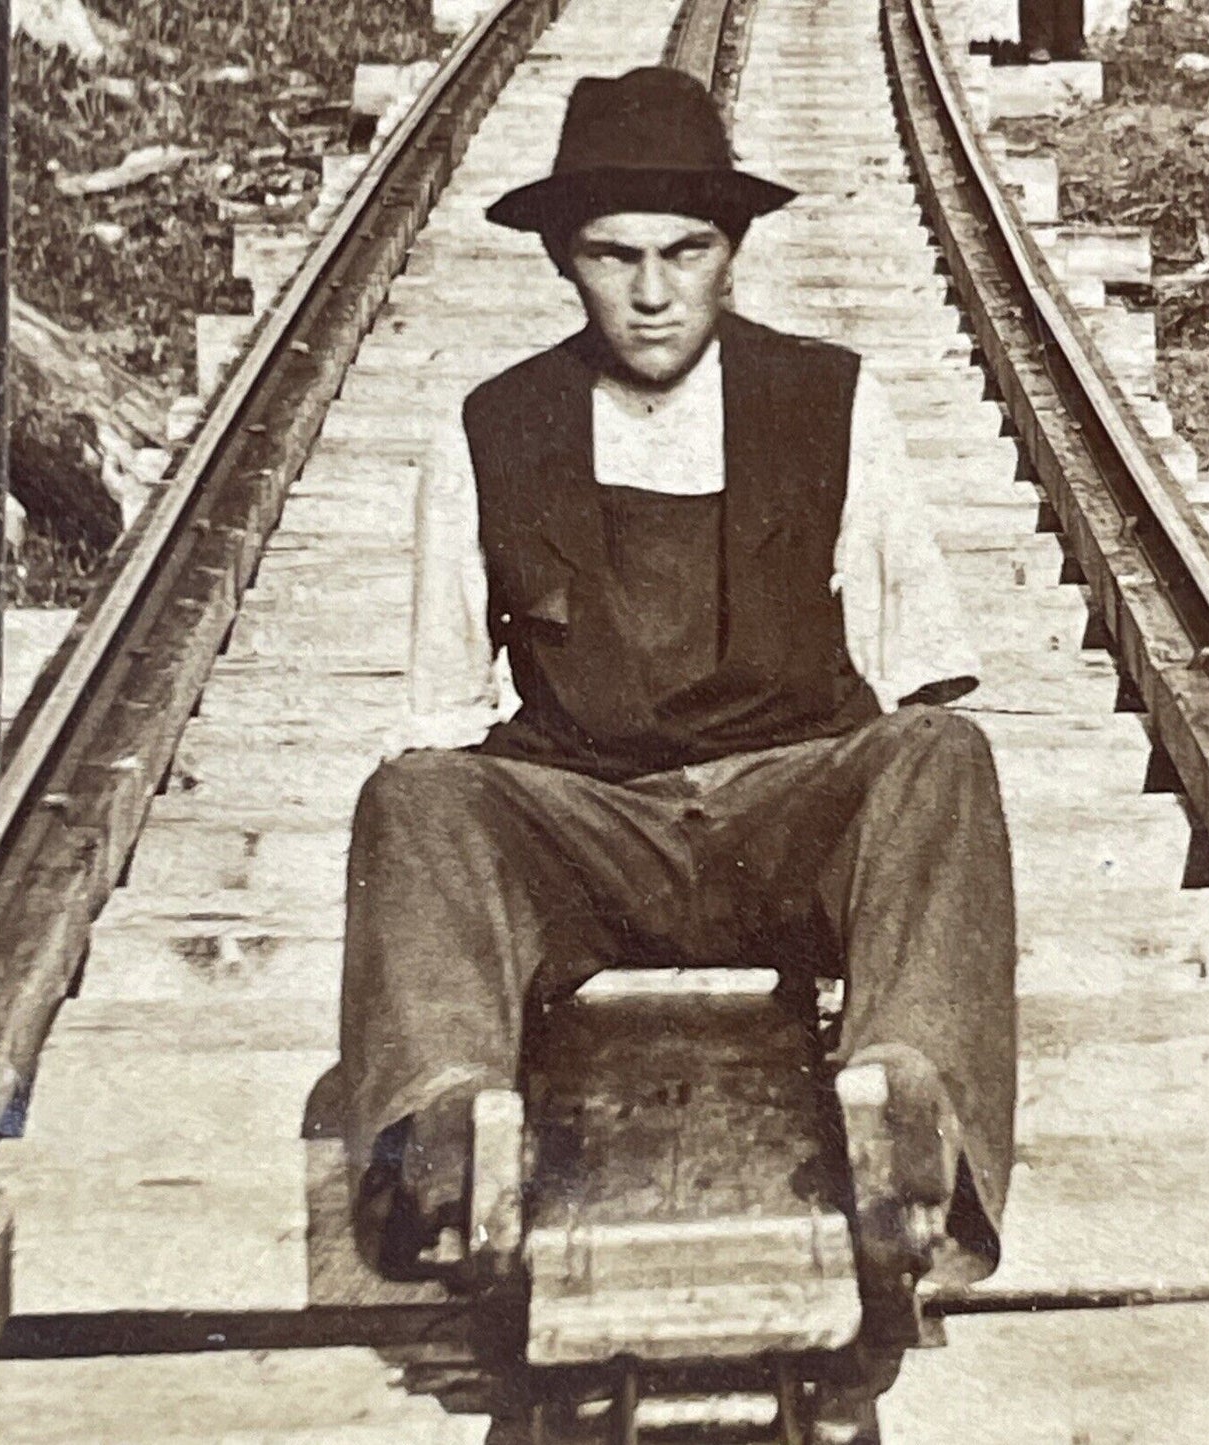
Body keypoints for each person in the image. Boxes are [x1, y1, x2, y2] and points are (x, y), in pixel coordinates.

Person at [336, 66, 1017, 1298]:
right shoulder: (488, 428)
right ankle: (452, 1124)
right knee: (413, 796)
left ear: (732, 248)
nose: (650, 294)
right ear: (561, 259)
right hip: (589, 830)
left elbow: (921, 676)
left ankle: (907, 1113)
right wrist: (460, 816)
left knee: (943, 756)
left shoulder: (836, 403)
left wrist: (867, 793)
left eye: (684, 250)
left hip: (787, 814)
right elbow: (439, 719)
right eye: (611, 255)